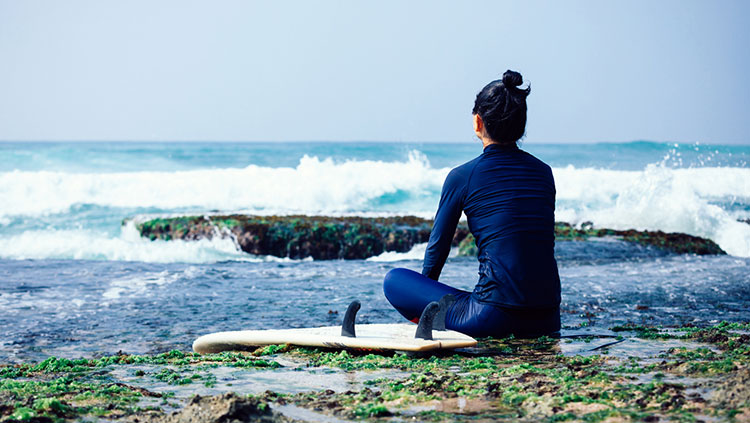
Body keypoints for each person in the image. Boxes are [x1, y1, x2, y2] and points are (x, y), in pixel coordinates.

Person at [383, 70, 561, 338]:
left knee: (394, 280)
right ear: (522, 126)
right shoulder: (543, 172)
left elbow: (438, 248)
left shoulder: (463, 176)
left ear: (478, 122)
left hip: (493, 319)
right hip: (548, 318)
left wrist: (423, 297)